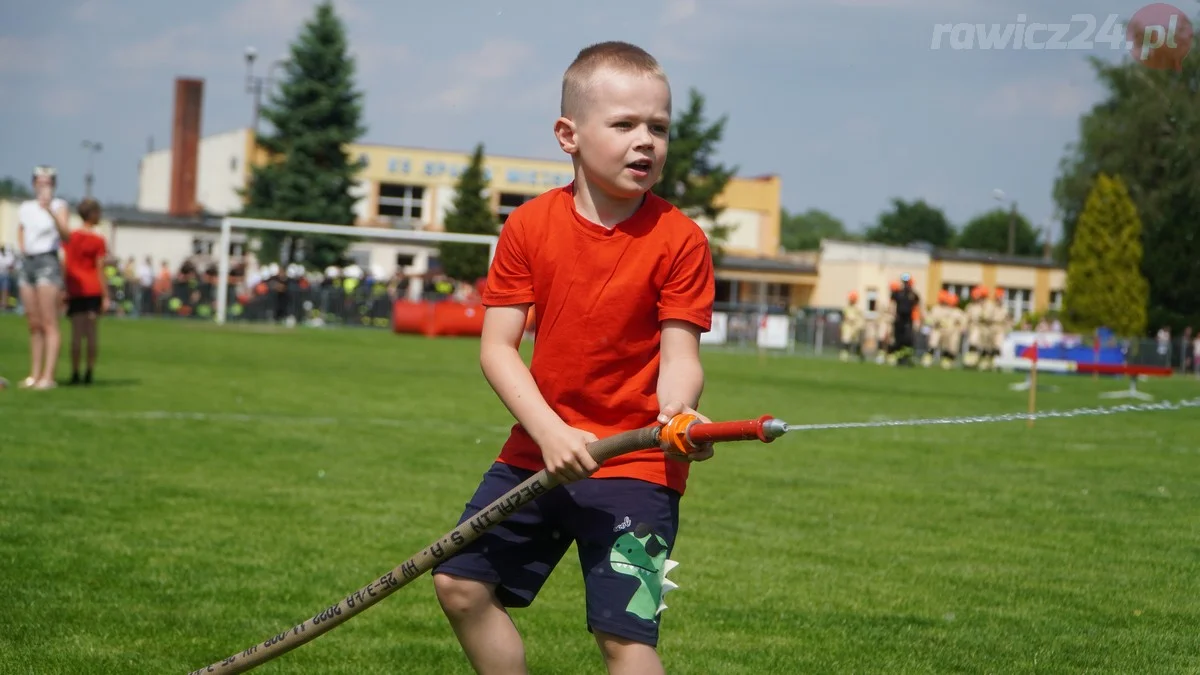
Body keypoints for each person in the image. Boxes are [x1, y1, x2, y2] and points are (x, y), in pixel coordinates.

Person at [431, 41, 715, 675]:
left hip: (637, 466)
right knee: (460, 584)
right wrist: (551, 432)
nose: (646, 141)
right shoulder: (529, 226)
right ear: (569, 134)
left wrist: (678, 412)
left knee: (624, 637)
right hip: (537, 452)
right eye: (625, 125)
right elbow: (497, 349)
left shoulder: (682, 240)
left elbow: (681, 355)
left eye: (659, 128)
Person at [16, 165, 69, 389]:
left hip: (47, 261)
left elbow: (66, 234)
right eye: (39, 181)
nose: (43, 185)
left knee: (49, 321)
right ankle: (34, 374)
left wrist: (50, 211)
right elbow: (21, 230)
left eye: (48, 182)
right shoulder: (26, 207)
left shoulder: (60, 205)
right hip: (28, 262)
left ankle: (49, 376)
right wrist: (22, 248)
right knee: (33, 322)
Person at [60, 198, 109, 385]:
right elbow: (100, 268)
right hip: (92, 288)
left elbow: (65, 263)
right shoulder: (98, 239)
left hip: (75, 288)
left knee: (76, 334)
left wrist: (64, 287)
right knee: (91, 334)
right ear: (93, 214)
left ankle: (74, 373)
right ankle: (89, 372)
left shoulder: (71, 237)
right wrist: (105, 295)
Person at [888, 273, 920, 366]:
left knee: (908, 338)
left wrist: (917, 320)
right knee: (898, 338)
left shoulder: (913, 294)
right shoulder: (897, 293)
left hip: (908, 319)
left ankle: (906, 357)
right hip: (899, 319)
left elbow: (917, 308)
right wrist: (892, 314)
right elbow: (892, 304)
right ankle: (897, 357)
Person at [839, 291, 864, 362]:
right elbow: (844, 316)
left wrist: (859, 326)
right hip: (847, 326)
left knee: (856, 341)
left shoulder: (858, 308)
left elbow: (860, 319)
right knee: (846, 340)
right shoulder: (846, 307)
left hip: (855, 327)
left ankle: (859, 354)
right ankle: (845, 354)